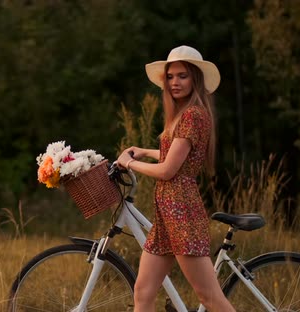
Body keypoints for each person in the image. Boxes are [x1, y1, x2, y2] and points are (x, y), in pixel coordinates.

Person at [117, 45, 235, 312]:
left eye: (182, 76)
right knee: (144, 291)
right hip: (167, 216)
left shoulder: (193, 115)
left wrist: (131, 163)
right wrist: (144, 151)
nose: (174, 82)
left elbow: (169, 171)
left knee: (210, 298)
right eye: (170, 77)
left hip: (182, 214)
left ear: (195, 78)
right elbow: (176, 156)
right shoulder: (181, 115)